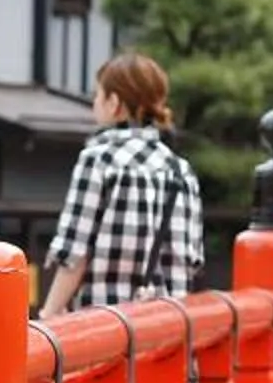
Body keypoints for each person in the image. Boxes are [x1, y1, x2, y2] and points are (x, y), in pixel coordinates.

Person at [40, 53, 204, 316]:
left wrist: (49, 312)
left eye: (98, 95)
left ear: (114, 102)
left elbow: (74, 254)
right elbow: (190, 261)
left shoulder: (99, 160)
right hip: (169, 333)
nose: (94, 103)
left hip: (107, 328)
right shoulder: (181, 171)